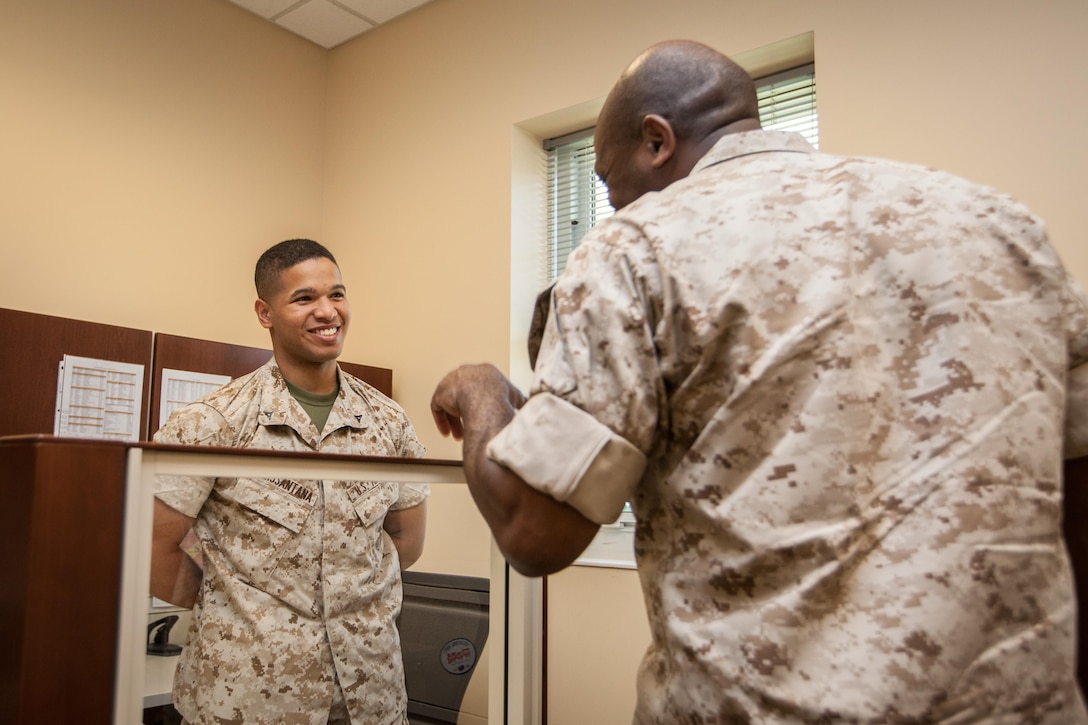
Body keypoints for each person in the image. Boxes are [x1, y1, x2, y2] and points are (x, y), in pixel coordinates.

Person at [430, 40, 1088, 723]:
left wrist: (481, 391)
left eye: (605, 181)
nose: (614, 202)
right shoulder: (1002, 226)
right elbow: (1072, 493)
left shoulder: (636, 249)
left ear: (657, 140)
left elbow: (535, 532)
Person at [151, 238, 428, 725]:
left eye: (337, 294)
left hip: (370, 696)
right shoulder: (213, 423)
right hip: (250, 700)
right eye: (304, 299)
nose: (327, 312)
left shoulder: (389, 422)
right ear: (265, 312)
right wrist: (230, 599)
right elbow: (157, 547)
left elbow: (406, 541)